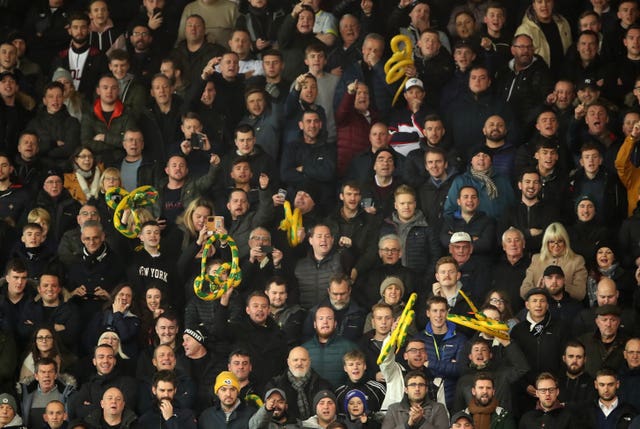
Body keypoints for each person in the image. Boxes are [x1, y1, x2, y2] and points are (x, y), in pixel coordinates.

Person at [520, 222, 588, 301]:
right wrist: (538, 290)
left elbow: (580, 294)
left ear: (565, 242)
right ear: (546, 243)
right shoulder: (536, 259)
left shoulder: (577, 261)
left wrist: (560, 286)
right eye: (552, 241)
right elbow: (523, 291)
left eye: (560, 241)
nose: (556, 245)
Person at [264, 347, 332, 421]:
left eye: (303, 360)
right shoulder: (275, 386)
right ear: (288, 362)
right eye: (295, 360)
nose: (299, 363)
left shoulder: (323, 385)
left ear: (309, 362)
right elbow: (267, 415)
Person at [302, 306, 358, 388]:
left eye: (329, 318)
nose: (325, 322)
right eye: (321, 318)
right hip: (312, 399)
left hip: (341, 398)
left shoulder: (349, 347)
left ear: (335, 324)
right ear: (315, 324)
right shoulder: (304, 349)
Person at [16, 358, 75, 429]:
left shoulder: (68, 393)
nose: (47, 375)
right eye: (43, 372)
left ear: (56, 375)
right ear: (36, 376)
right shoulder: (25, 394)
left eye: (50, 372)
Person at [381, 370, 449, 429]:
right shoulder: (393, 409)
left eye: (421, 385)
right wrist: (408, 425)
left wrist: (421, 421)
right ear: (406, 390)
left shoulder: (438, 408)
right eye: (413, 385)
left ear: (426, 389)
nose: (417, 389)